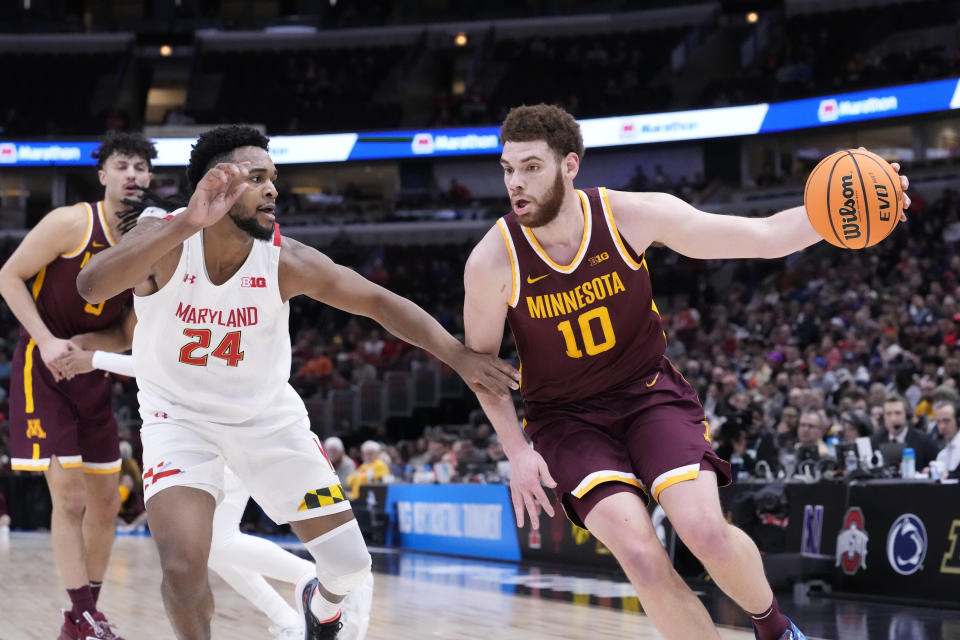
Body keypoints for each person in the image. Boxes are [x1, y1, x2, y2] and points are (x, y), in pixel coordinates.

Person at [462, 104, 910, 640]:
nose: (516, 183)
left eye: (531, 167)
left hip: (647, 394)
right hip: (565, 421)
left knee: (704, 532)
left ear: (570, 166)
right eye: (508, 168)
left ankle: (774, 628)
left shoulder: (629, 216)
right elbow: (481, 369)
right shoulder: (492, 261)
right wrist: (516, 449)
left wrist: (846, 210)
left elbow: (763, 237)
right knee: (641, 556)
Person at [76, 125, 519, 640]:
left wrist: (459, 357)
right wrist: (186, 224)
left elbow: (378, 302)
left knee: (350, 567)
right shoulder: (165, 240)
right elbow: (92, 285)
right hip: (179, 421)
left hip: (266, 420)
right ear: (213, 186)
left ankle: (319, 601)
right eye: (257, 178)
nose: (273, 190)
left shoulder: (286, 260)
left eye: (274, 178)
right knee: (183, 566)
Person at [59, 347, 374, 640]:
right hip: (223, 429)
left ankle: (312, 583)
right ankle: (294, 609)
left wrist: (95, 358)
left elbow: (158, 367)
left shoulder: (195, 307)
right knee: (216, 545)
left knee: (219, 545)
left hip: (239, 429)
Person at [0, 131, 157, 640]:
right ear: (103, 175)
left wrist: (92, 347)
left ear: (150, 179)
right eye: (123, 165)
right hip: (42, 368)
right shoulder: (72, 222)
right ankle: (82, 614)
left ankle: (82, 615)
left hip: (92, 369)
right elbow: (8, 275)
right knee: (68, 499)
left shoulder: (145, 248)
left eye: (141, 167)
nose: (133, 174)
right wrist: (46, 340)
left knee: (107, 502)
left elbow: (127, 334)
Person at [870, 395, 938, 469]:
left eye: (898, 413)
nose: (893, 419)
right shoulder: (874, 442)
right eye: (888, 414)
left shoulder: (925, 441)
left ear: (907, 415)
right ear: (883, 418)